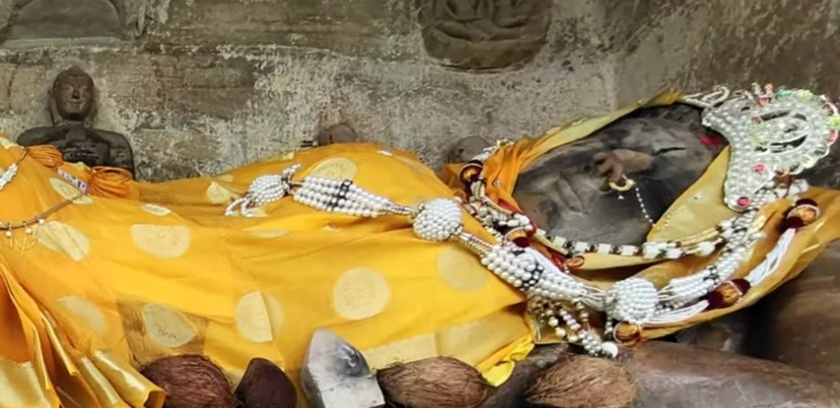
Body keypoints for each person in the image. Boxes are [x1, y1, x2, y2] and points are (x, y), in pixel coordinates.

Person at [0, 85, 837, 408]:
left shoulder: (513, 309)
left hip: (102, 297)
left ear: (675, 253)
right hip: (116, 226)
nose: (607, 169)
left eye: (648, 189)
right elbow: (201, 214)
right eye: (617, 145)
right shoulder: (415, 177)